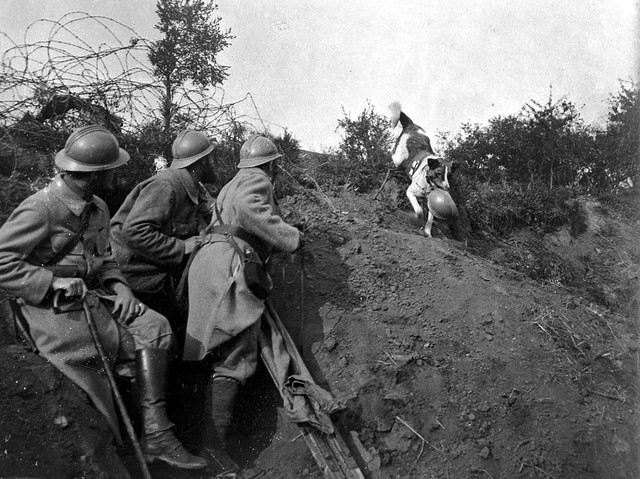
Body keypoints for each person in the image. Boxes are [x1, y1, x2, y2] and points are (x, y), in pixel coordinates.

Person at [0, 125, 206, 470]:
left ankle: (156, 435)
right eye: (112, 169)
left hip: (94, 298)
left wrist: (121, 287)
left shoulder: (97, 207)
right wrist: (51, 283)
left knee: (155, 325)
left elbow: (105, 258)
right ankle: (113, 451)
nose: (117, 173)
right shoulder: (41, 208)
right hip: (48, 309)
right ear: (94, 175)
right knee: (89, 366)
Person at [183, 134, 302, 472]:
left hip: (208, 264)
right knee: (235, 356)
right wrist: (291, 237)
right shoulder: (257, 179)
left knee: (213, 350)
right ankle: (214, 451)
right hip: (230, 267)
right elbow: (252, 212)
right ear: (271, 165)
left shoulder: (231, 183)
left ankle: (202, 443)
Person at [110, 129, 216, 347]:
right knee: (168, 336)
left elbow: (210, 210)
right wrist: (180, 247)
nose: (213, 163)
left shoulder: (192, 185)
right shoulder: (166, 185)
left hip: (157, 275)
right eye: (210, 158)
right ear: (201, 162)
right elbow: (135, 232)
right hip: (136, 281)